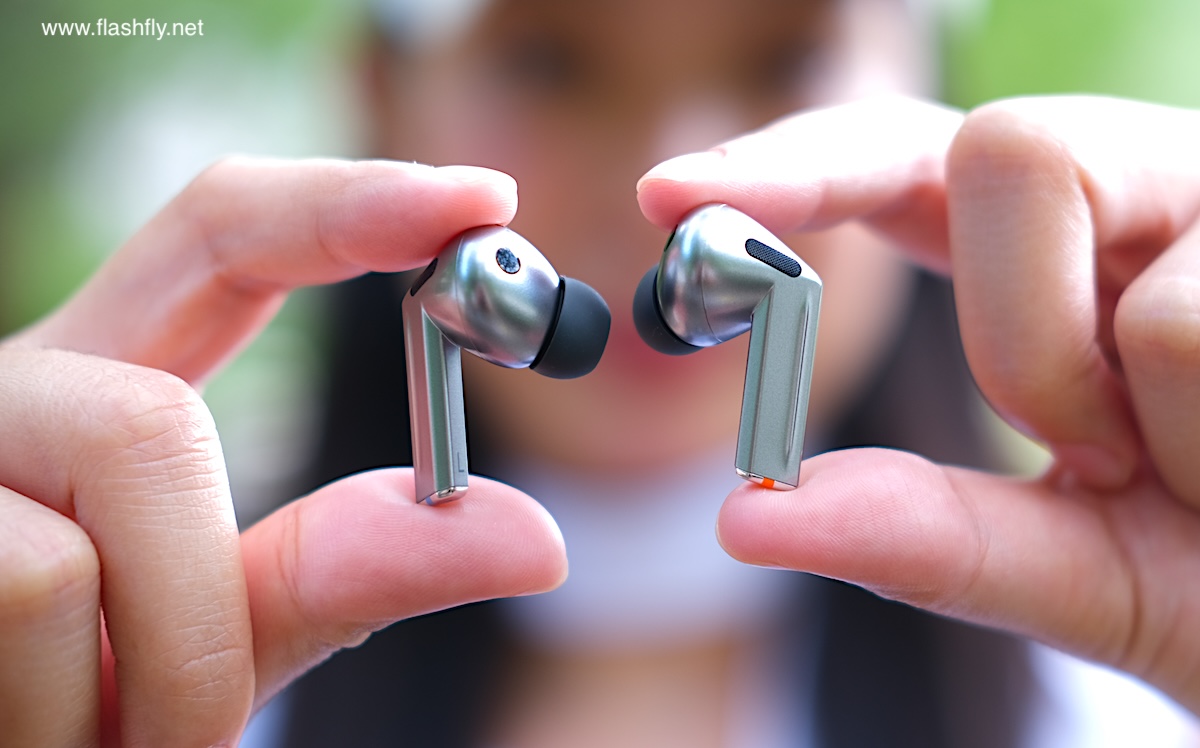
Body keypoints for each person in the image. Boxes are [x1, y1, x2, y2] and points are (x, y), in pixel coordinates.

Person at [2, 0, 1199, 746]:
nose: (661, 174)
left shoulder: (1138, 696)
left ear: (924, 91)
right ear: (380, 99)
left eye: (787, 51)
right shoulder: (132, 684)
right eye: (551, 59)